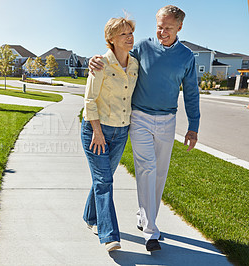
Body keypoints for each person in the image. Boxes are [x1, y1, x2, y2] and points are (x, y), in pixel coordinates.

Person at [89, 5, 200, 252]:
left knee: (160, 172)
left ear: (180, 27)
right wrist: (94, 59)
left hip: (167, 120)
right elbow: (116, 54)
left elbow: (192, 93)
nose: (162, 32)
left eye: (168, 28)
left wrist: (193, 126)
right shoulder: (142, 47)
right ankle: (151, 231)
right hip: (139, 117)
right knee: (147, 169)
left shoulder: (186, 57)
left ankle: (143, 217)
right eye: (159, 27)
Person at [81, 16, 139, 252]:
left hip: (121, 131)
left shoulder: (135, 64)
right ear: (111, 39)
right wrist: (97, 131)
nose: (129, 37)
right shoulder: (101, 64)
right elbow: (89, 100)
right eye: (124, 34)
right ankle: (109, 236)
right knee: (105, 181)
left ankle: (90, 217)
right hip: (97, 130)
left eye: (130, 33)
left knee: (101, 179)